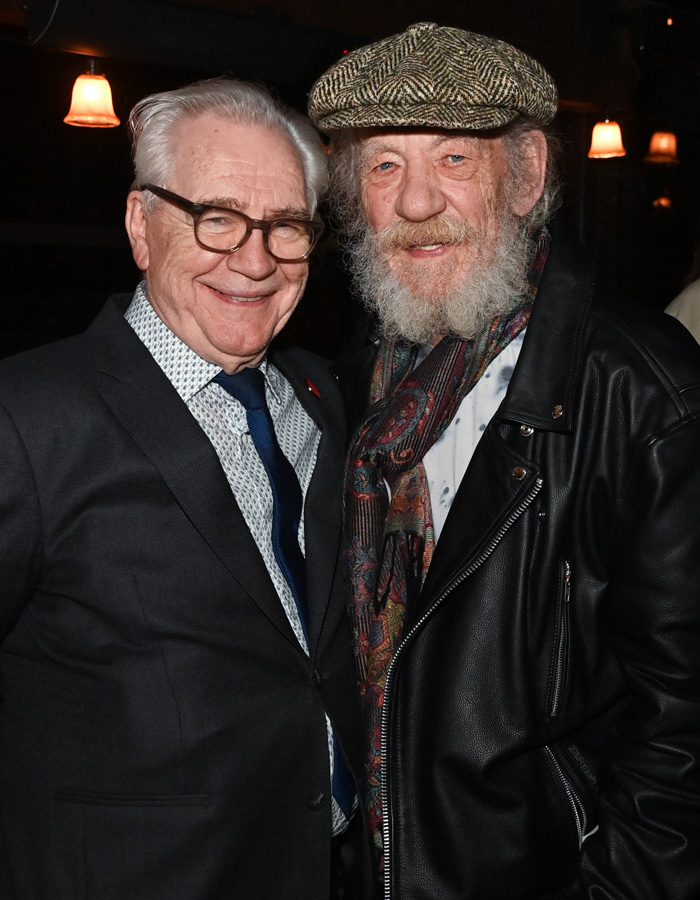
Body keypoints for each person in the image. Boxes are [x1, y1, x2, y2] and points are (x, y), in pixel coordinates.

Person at [307, 22, 700, 900]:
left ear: (525, 180)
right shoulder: (344, 387)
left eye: (453, 159)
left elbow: (680, 733)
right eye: (383, 166)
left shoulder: (643, 393)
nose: (415, 204)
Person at [0, 78, 368, 900]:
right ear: (141, 224)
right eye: (217, 218)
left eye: (286, 227)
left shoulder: (321, 400)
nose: (255, 257)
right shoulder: (28, 418)